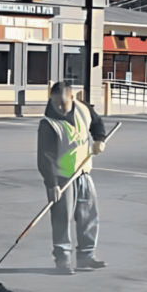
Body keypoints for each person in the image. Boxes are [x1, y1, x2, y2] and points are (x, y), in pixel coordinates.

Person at [37, 81, 108, 275]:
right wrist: (52, 185)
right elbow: (45, 158)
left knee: (89, 216)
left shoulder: (84, 110)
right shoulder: (49, 124)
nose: (60, 107)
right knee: (62, 219)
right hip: (61, 178)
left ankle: (86, 257)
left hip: (84, 172)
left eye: (64, 102)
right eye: (56, 102)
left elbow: (97, 123)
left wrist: (99, 140)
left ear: (71, 98)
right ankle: (63, 260)